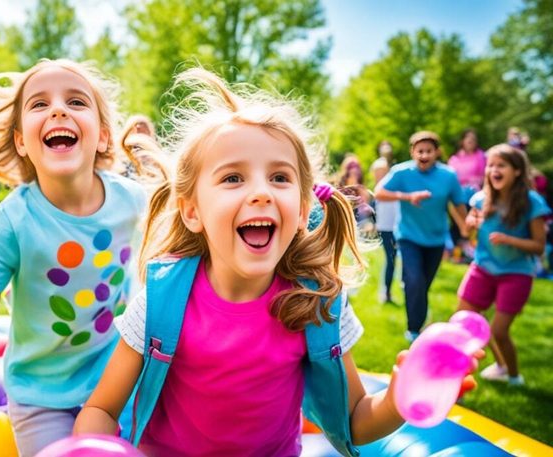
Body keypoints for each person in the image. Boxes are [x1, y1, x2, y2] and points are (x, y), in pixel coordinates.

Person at [71, 68, 455, 456]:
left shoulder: (315, 303)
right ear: (192, 211)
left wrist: (398, 400)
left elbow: (355, 421)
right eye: (234, 178)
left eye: (279, 178)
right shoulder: (162, 301)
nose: (261, 193)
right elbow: (102, 409)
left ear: (304, 209)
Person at [0, 58, 160, 456]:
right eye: (39, 104)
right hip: (40, 397)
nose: (58, 109)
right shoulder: (12, 222)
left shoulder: (133, 201)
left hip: (119, 382)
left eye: (75, 101)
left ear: (103, 136)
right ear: (21, 141)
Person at [458, 144, 551, 386]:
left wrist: (508, 239)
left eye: (501, 165)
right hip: (483, 268)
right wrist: (469, 224)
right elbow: (469, 232)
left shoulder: (532, 202)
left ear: (517, 171)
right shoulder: (480, 199)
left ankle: (514, 376)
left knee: (498, 331)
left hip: (516, 273)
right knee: (464, 318)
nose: (494, 170)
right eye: (490, 165)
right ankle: (498, 366)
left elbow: (539, 246)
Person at [375, 131, 467, 341]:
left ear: (437, 153)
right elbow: (378, 193)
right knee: (416, 281)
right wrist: (407, 197)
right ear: (413, 152)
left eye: (429, 151)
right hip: (408, 237)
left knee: (422, 285)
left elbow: (458, 203)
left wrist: (465, 226)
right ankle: (414, 330)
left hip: (435, 239)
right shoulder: (401, 172)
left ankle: (416, 308)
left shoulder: (448, 176)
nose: (424, 155)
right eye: (420, 151)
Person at [447, 129, 486, 263]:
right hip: (458, 196)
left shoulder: (481, 156)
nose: (471, 142)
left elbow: (485, 176)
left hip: (476, 196)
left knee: (474, 225)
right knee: (457, 225)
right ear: (462, 141)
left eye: (473, 140)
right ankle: (457, 254)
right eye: (468, 139)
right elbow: (451, 178)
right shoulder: (455, 159)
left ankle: (472, 254)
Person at [371, 147, 398, 304]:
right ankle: (386, 291)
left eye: (381, 172)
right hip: (385, 229)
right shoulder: (377, 191)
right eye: (377, 172)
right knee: (391, 259)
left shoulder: (394, 187)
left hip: (399, 228)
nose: (378, 175)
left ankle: (401, 286)